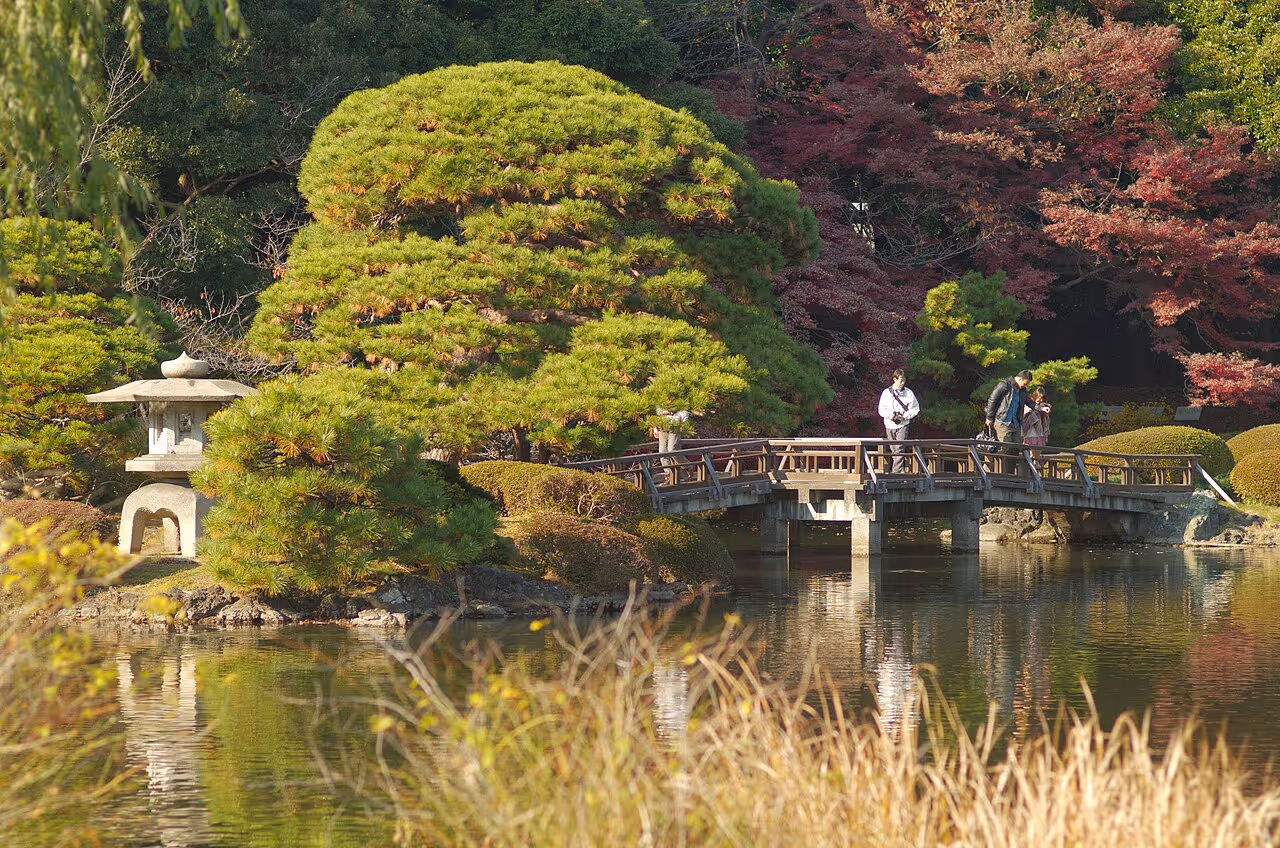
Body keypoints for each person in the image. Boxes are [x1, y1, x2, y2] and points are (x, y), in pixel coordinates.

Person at [984, 370, 1033, 474]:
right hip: (1002, 421)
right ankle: (1002, 474)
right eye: (1025, 383)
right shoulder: (1004, 385)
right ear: (1019, 379)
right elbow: (992, 400)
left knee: (1016, 448)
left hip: (1015, 423)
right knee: (1006, 447)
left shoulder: (1023, 391)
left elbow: (1030, 402)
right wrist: (989, 417)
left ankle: (1009, 474)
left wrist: (1041, 407)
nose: (1025, 385)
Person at [877, 369, 919, 473]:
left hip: (903, 424)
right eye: (901, 381)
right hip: (889, 424)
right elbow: (881, 409)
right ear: (894, 379)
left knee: (899, 448)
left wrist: (905, 416)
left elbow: (915, 409)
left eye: (904, 381)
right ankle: (897, 471)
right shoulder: (886, 393)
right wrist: (889, 415)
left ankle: (895, 473)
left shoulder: (909, 393)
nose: (903, 383)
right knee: (893, 449)